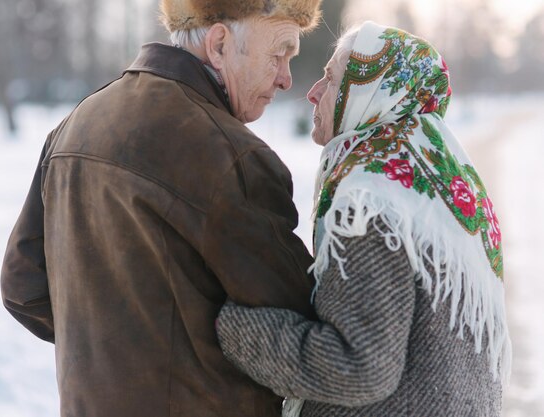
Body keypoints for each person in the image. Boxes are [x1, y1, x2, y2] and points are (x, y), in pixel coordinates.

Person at [0, 1, 323, 416]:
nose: (286, 78)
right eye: (278, 54)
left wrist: (112, 351)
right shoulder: (232, 157)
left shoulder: (77, 124)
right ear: (220, 44)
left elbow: (22, 286)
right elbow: (301, 322)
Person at [216, 21, 511, 416]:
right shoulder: (436, 179)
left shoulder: (372, 196)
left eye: (332, 78)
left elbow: (357, 367)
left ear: (371, 93)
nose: (313, 92)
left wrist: (230, 327)